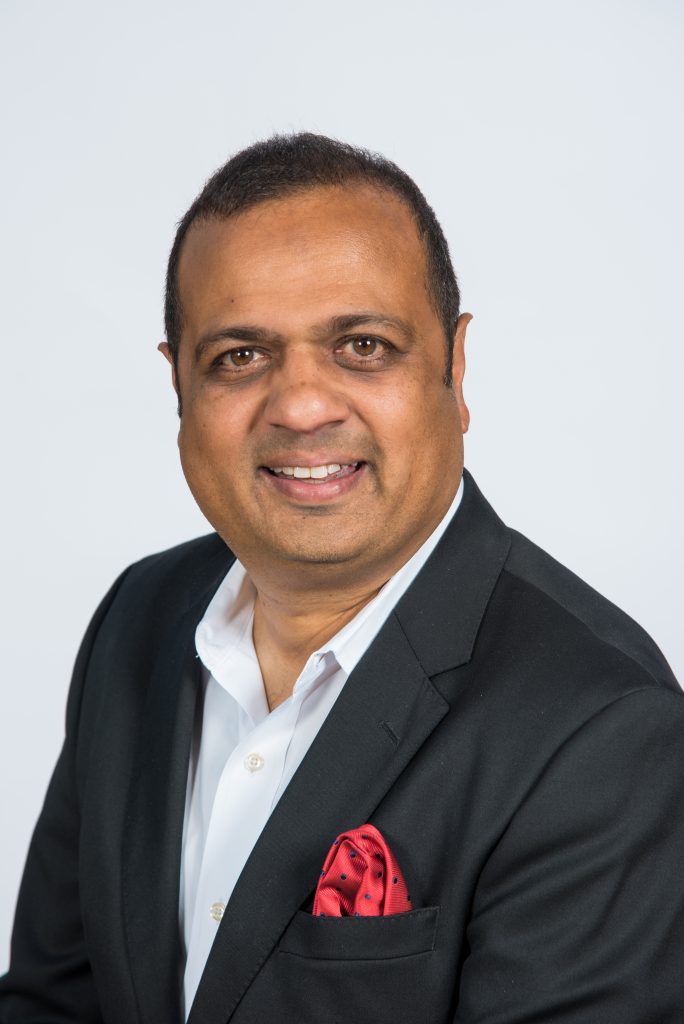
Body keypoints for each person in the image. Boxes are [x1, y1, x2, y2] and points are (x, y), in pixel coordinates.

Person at [1, 133, 682, 1024]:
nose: (301, 406)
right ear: (178, 388)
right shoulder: (138, 618)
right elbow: (53, 1003)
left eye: (363, 345)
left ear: (456, 368)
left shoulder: (602, 728)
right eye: (239, 356)